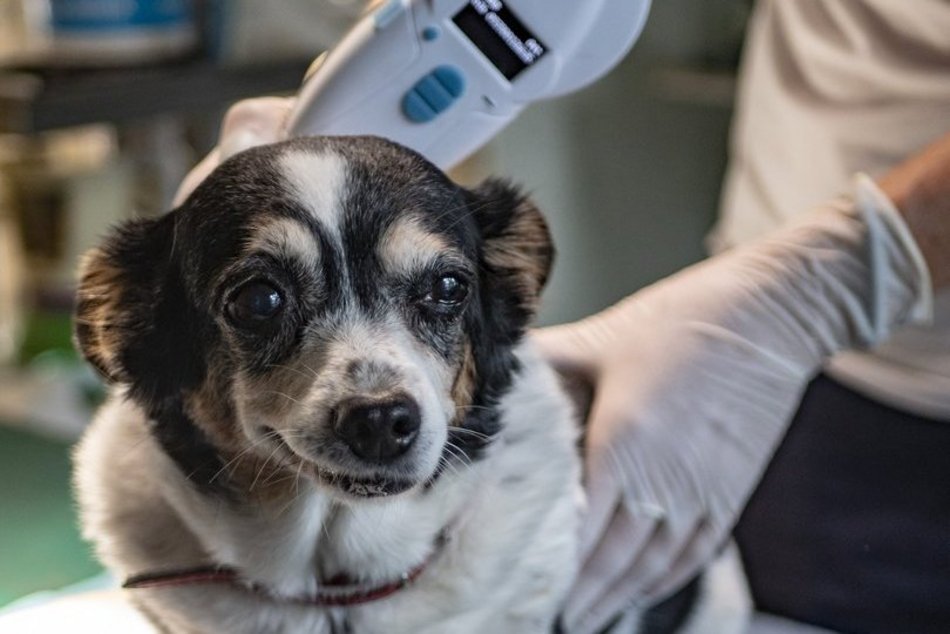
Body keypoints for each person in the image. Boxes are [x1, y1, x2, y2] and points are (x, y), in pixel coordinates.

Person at [176, 64, 950, 634]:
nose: (380, 402)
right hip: (776, 370)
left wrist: (837, 276)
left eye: (442, 294)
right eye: (263, 300)